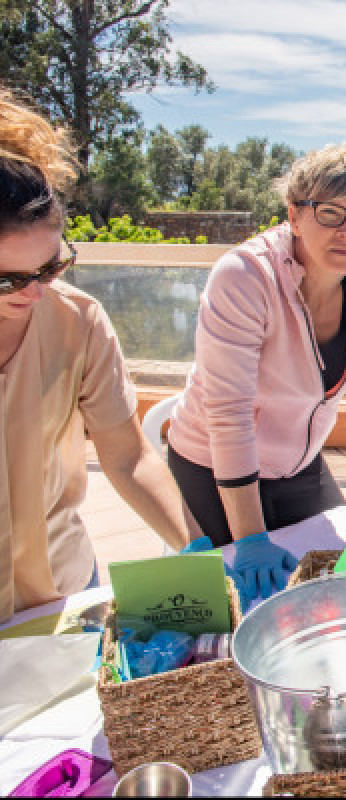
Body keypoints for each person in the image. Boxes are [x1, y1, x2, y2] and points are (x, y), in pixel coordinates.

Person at [166, 142, 346, 602]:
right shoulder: (244, 276)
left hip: (300, 464)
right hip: (215, 468)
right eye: (330, 213)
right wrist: (251, 539)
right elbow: (229, 413)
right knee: (249, 606)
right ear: (294, 214)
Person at [0, 87, 191, 623]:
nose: (35, 292)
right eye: (8, 279)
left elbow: (128, 457)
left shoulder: (77, 321)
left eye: (51, 266)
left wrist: (196, 546)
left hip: (61, 586)